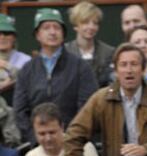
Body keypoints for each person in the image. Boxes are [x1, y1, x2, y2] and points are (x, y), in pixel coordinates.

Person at [13, 8, 98, 145]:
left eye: (57, 28)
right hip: (37, 145)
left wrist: (69, 137)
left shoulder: (80, 67)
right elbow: (20, 111)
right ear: (37, 35)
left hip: (74, 143)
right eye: (46, 28)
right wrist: (37, 139)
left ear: (63, 34)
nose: (52, 32)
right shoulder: (27, 70)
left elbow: (88, 107)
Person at [24, 102, 101, 156]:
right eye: (42, 134)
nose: (48, 138)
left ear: (62, 127)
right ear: (34, 132)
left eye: (52, 132)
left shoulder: (84, 148)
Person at [65, 1, 115, 88]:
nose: (91, 27)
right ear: (76, 25)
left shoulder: (108, 52)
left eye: (95, 23)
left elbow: (111, 84)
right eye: (85, 22)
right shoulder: (65, 51)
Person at [0, 14, 30, 90]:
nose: (2, 37)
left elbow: (30, 79)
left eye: (7, 33)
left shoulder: (25, 59)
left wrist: (8, 66)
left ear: (14, 38)